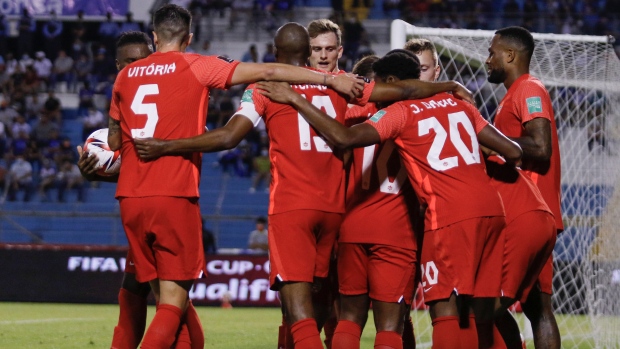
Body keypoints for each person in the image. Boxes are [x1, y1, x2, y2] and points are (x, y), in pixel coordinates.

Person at [133, 22, 474, 349]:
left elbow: (229, 137)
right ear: (308, 51)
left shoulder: (265, 88)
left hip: (292, 206)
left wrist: (166, 145)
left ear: (275, 51)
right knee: (326, 300)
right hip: (334, 211)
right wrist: (446, 88)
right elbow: (400, 91)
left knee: (299, 311)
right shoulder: (341, 83)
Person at [108, 6, 363, 348]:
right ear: (190, 37)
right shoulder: (200, 65)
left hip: (134, 196)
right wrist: (333, 79)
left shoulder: (125, 77)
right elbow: (391, 101)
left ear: (154, 38)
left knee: (161, 296)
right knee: (329, 304)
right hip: (333, 208)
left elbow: (114, 141)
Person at [256, 50, 522, 349]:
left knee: (357, 316)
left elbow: (343, 140)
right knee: (466, 314)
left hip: (384, 222)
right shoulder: (462, 105)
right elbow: (514, 152)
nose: (377, 92)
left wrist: (296, 99)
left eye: (380, 84)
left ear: (392, 81)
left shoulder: (389, 114)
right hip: (454, 218)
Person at [76, 30, 204, 349]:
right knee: (137, 291)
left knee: (168, 301)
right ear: (118, 65)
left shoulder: (171, 96)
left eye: (143, 59)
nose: (138, 66)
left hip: (168, 203)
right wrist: (97, 174)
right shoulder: (122, 106)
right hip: (141, 208)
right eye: (130, 62)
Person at [329, 53, 421, 349]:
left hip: (353, 225)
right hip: (397, 230)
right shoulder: (416, 115)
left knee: (350, 317)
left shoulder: (353, 116)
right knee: (390, 325)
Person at [486, 26, 563, 349]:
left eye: (492, 52)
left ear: (510, 55)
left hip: (528, 214)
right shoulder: (513, 95)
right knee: (536, 307)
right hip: (527, 213)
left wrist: (492, 146)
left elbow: (540, 147)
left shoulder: (529, 89)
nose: (487, 60)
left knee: (486, 304)